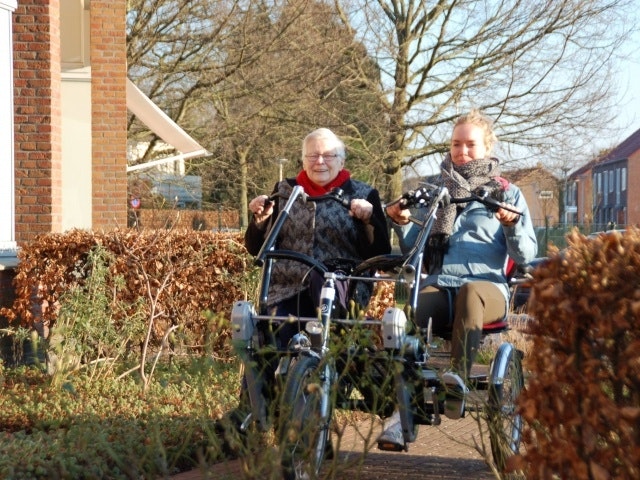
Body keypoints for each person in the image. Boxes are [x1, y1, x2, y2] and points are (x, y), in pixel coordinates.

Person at [379, 109, 538, 450]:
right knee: (412, 310)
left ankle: (458, 383)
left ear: (487, 146)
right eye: (456, 144)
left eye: (470, 144)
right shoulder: (434, 191)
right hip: (442, 283)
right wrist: (402, 221)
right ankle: (401, 413)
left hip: (489, 288)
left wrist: (511, 226)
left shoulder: (506, 193)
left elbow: (525, 256)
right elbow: (413, 250)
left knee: (470, 292)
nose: (462, 151)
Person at [220, 127, 391, 440]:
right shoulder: (285, 191)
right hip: (286, 284)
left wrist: (369, 220)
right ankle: (252, 411)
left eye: (328, 155)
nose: (320, 161)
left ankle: (308, 422)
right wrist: (259, 222)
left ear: (342, 160)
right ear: (303, 159)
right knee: (268, 337)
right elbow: (257, 248)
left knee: (318, 316)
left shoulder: (363, 194)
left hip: (340, 287)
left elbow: (380, 252)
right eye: (313, 155)